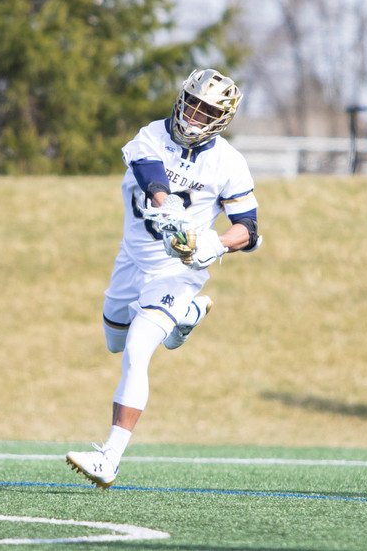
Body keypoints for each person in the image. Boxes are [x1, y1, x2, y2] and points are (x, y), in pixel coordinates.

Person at [65, 68, 261, 489]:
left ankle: (109, 458)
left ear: (222, 117)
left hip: (178, 271)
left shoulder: (228, 161)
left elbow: (249, 228)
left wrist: (217, 244)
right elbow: (150, 174)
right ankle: (189, 315)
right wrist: (166, 204)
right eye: (191, 101)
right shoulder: (151, 135)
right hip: (131, 261)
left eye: (206, 108)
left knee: (136, 350)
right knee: (114, 340)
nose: (193, 113)